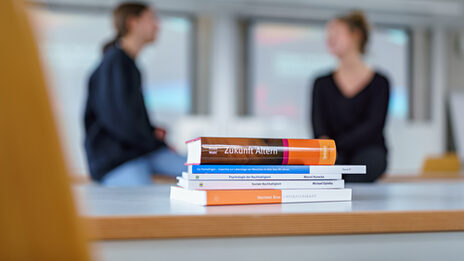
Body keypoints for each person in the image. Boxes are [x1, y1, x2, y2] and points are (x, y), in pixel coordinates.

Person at [84, 2, 186, 186]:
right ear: (133, 23)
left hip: (141, 151)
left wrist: (152, 133)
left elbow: (129, 119)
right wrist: (153, 141)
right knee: (142, 200)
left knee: (202, 169)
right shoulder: (115, 64)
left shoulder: (128, 64)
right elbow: (121, 122)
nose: (157, 25)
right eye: (151, 19)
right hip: (119, 159)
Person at [311, 10, 390, 182]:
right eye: (329, 33)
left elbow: (373, 126)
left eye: (336, 33)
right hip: (333, 153)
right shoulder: (321, 83)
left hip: (369, 153)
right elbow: (319, 128)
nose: (330, 38)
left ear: (356, 35)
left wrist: (338, 144)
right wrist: (331, 149)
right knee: (329, 170)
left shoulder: (379, 82)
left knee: (364, 168)